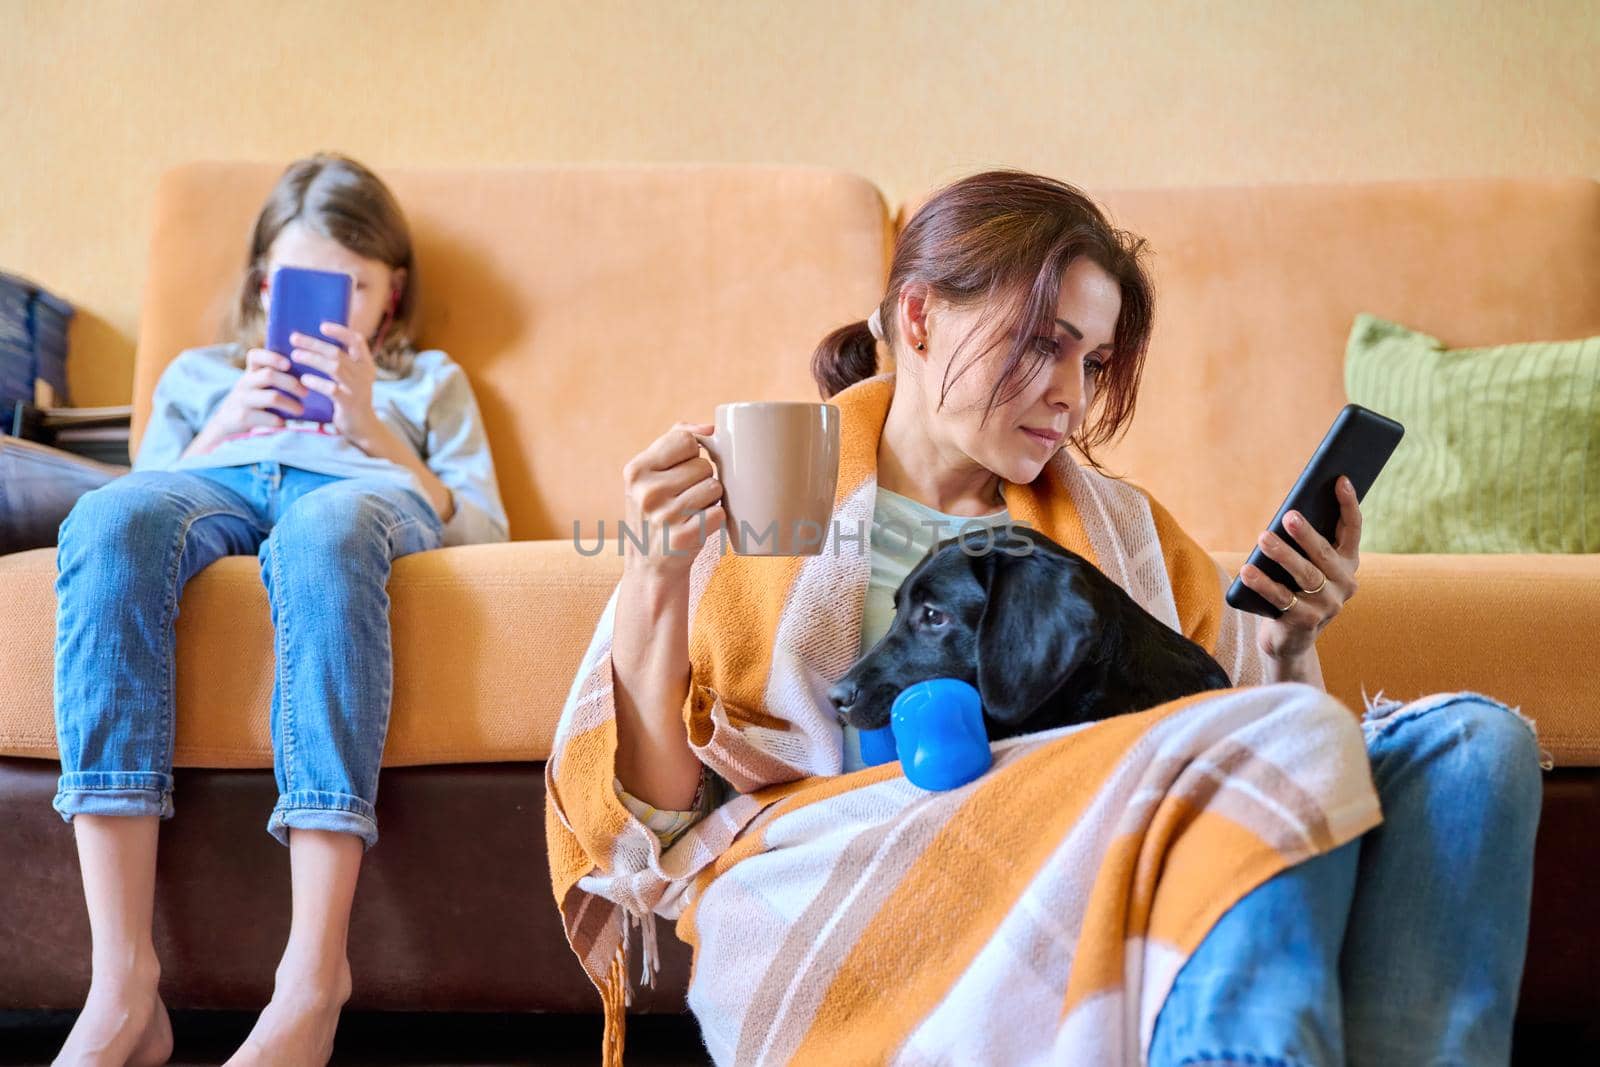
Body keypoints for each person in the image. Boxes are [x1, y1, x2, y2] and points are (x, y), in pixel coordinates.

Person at [545, 170, 1543, 1065]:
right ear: (920, 314)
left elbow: (1258, 740)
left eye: (1095, 363)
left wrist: (1284, 641)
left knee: (1475, 744)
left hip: (1113, 819)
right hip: (862, 853)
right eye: (1040, 345)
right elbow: (661, 817)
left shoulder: (1126, 533)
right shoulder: (763, 492)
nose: (1070, 396)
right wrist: (657, 573)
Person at [51, 152, 507, 1066]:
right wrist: (221, 428)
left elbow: (486, 527)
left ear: (391, 294)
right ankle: (122, 987)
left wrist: (373, 426)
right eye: (299, 284)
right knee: (105, 518)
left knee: (322, 533)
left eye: (354, 286)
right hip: (214, 477)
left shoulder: (427, 382)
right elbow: (143, 506)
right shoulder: (196, 375)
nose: (327, 305)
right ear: (264, 287)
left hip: (359, 494)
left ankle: (312, 980)